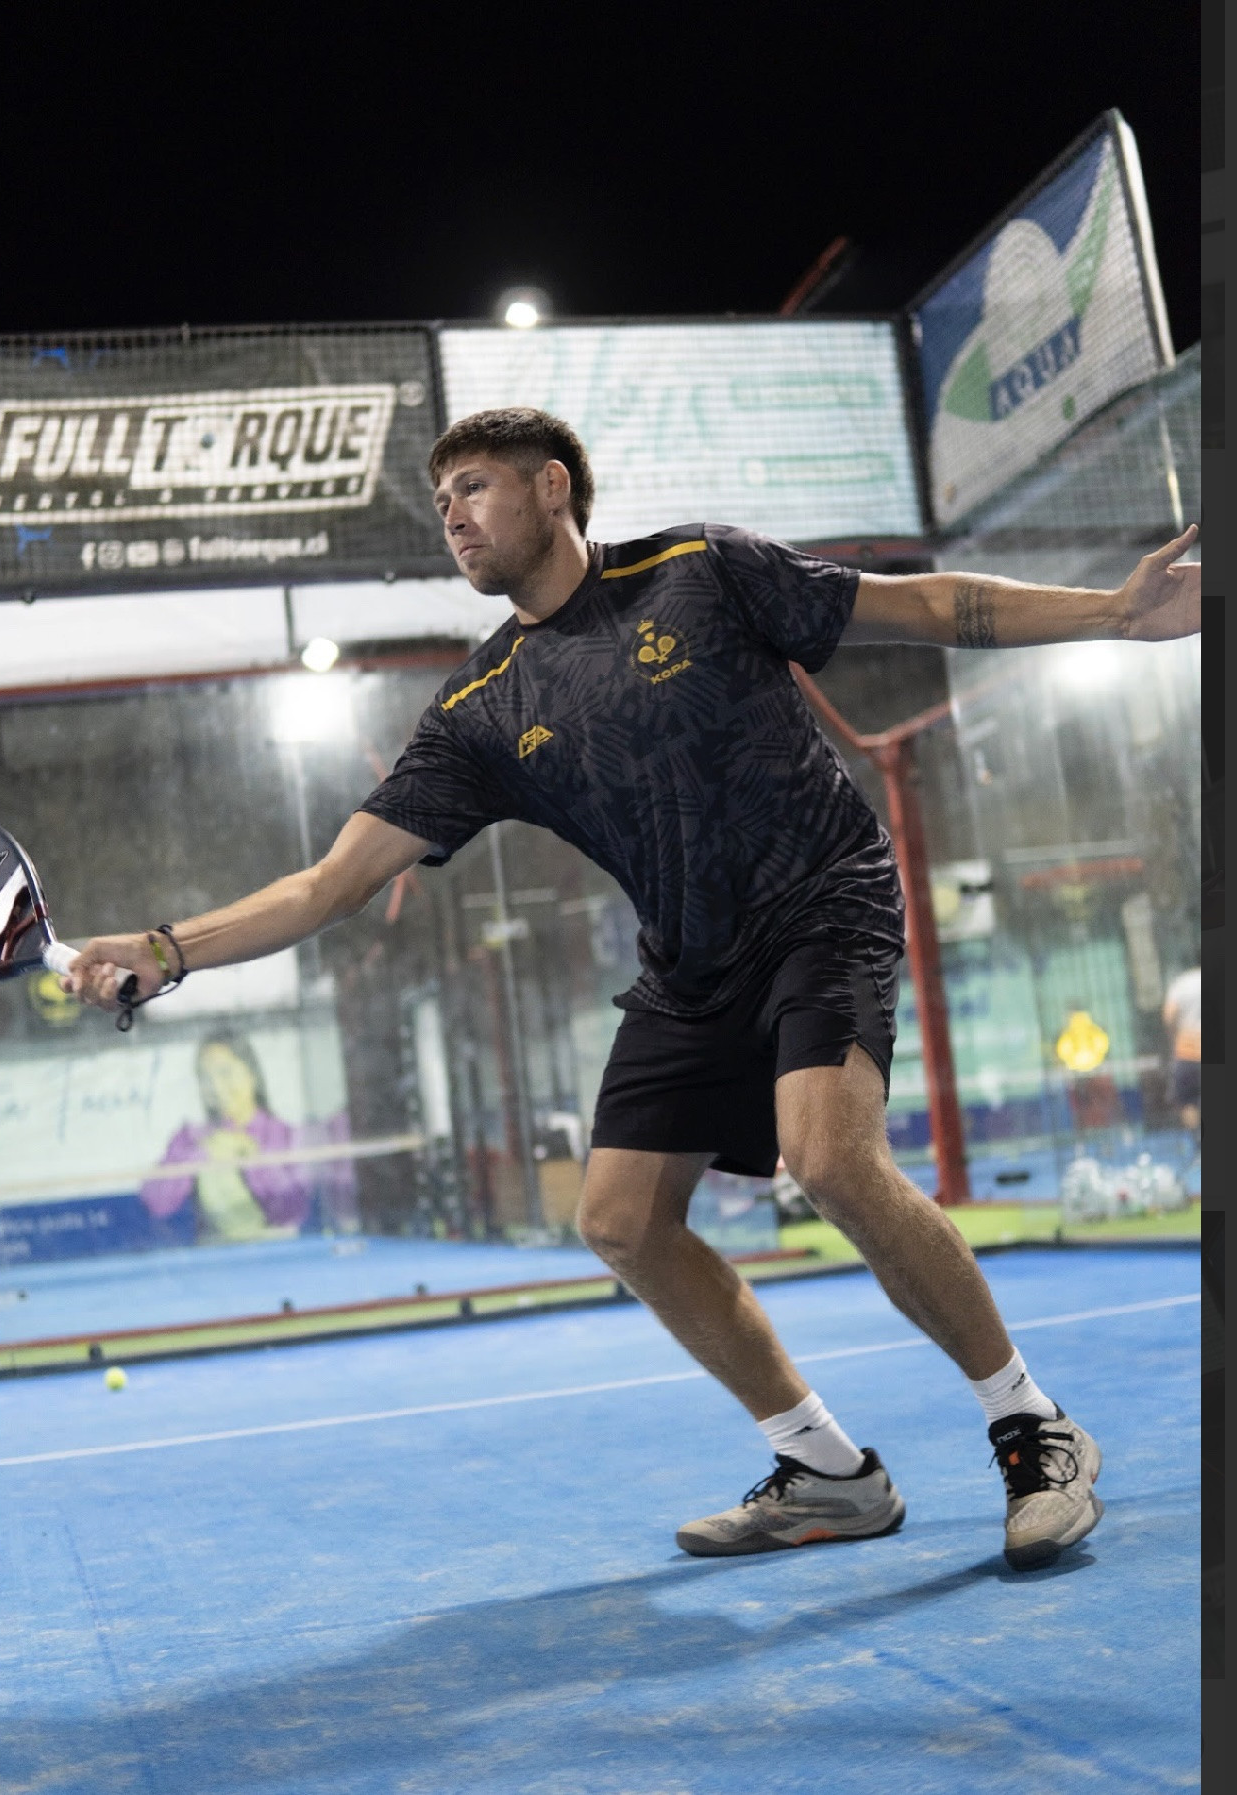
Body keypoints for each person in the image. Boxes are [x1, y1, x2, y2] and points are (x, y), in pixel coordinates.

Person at [67, 408, 1201, 1571]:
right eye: (441, 500)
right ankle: (826, 1468)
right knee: (619, 1220)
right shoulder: (480, 707)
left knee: (828, 1157)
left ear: (553, 487)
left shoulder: (700, 569)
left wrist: (1114, 613)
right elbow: (331, 883)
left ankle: (1032, 1427)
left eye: (474, 486)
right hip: (691, 961)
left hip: (821, 899)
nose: (452, 515)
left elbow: (917, 607)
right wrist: (166, 946)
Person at [140, 1029, 313, 1242]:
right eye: (205, 1078)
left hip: (275, 1254)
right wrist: (199, 1155)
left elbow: (292, 1212)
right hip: (216, 1257)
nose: (216, 1086)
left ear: (251, 1074)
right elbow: (156, 1204)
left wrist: (250, 1159)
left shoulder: (286, 1136)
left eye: (225, 1073)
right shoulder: (190, 1139)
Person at [1161, 965, 1202, 1136]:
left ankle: (1198, 1141)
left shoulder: (1181, 984)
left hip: (1187, 1052)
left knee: (1188, 1101)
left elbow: (1169, 1016)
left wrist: (1174, 1038)